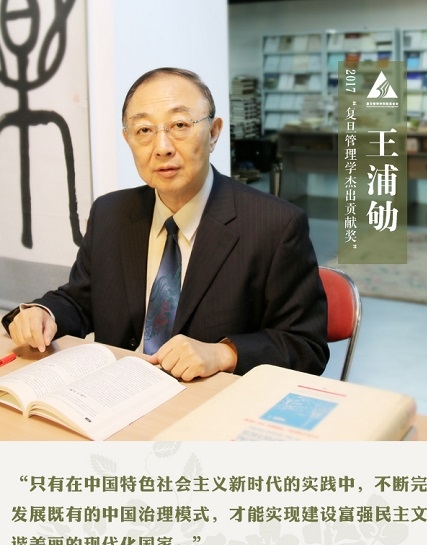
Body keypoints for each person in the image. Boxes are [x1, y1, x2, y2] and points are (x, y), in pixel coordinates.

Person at [2, 67, 329, 381]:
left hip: (207, 401)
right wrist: (43, 313)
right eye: (144, 130)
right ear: (128, 139)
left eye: (180, 125)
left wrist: (224, 353)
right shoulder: (111, 214)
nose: (162, 148)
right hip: (114, 392)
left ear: (214, 133)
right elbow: (80, 299)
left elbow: (306, 346)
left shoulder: (275, 225)